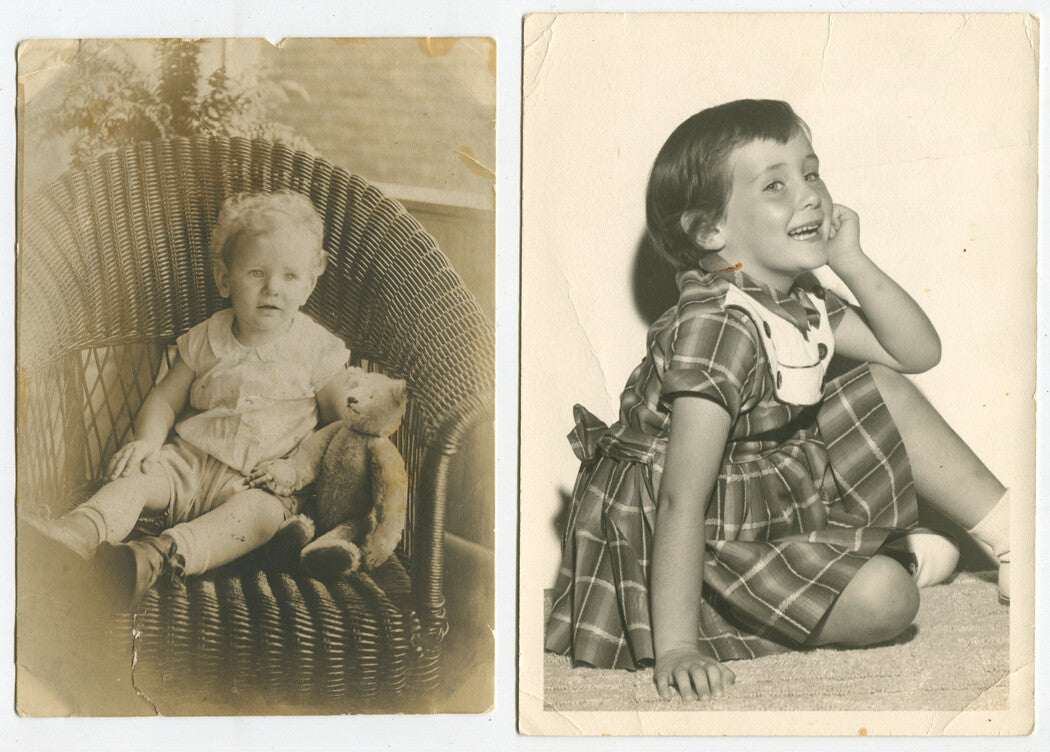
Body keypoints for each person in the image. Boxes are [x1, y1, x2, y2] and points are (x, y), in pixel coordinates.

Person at [544, 100, 1011, 702]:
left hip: (764, 494)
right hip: (697, 532)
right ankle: (896, 567)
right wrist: (678, 646)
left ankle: (1012, 534)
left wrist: (851, 260)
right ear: (710, 231)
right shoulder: (719, 326)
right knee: (893, 600)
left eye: (811, 172)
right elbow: (681, 497)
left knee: (882, 386)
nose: (810, 195)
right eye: (776, 184)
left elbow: (917, 352)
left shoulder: (796, 297)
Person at [23, 189, 349, 607]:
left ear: (310, 280)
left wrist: (294, 467)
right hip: (185, 463)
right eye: (256, 274)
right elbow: (164, 398)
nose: (272, 288)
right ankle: (77, 533)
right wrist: (148, 443)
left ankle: (159, 556)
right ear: (224, 278)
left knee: (261, 518)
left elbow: (337, 425)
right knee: (136, 477)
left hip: (255, 482)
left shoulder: (316, 348)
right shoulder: (208, 335)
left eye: (289, 276)